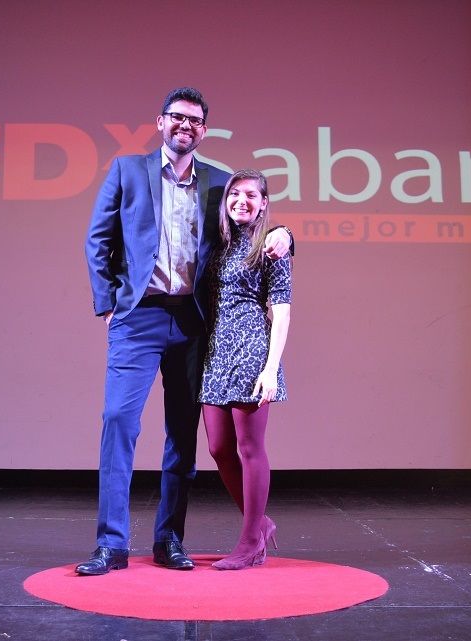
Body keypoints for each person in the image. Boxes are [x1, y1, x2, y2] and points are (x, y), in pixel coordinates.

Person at [77, 88, 292, 575]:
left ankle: (168, 539)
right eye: (177, 117)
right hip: (140, 316)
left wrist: (285, 233)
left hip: (194, 324)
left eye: (195, 121)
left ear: (204, 130)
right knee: (119, 422)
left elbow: (250, 222)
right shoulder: (128, 170)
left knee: (182, 436)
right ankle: (110, 544)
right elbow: (98, 238)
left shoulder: (219, 181)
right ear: (160, 122)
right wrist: (108, 303)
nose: (185, 126)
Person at [199, 169, 292, 570]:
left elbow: (283, 310)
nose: (241, 200)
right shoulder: (217, 243)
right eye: (234, 193)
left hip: (252, 351)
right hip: (216, 353)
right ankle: (261, 524)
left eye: (251, 195)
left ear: (264, 203)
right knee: (219, 448)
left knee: (250, 448)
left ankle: (251, 539)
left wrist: (271, 369)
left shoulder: (271, 247)